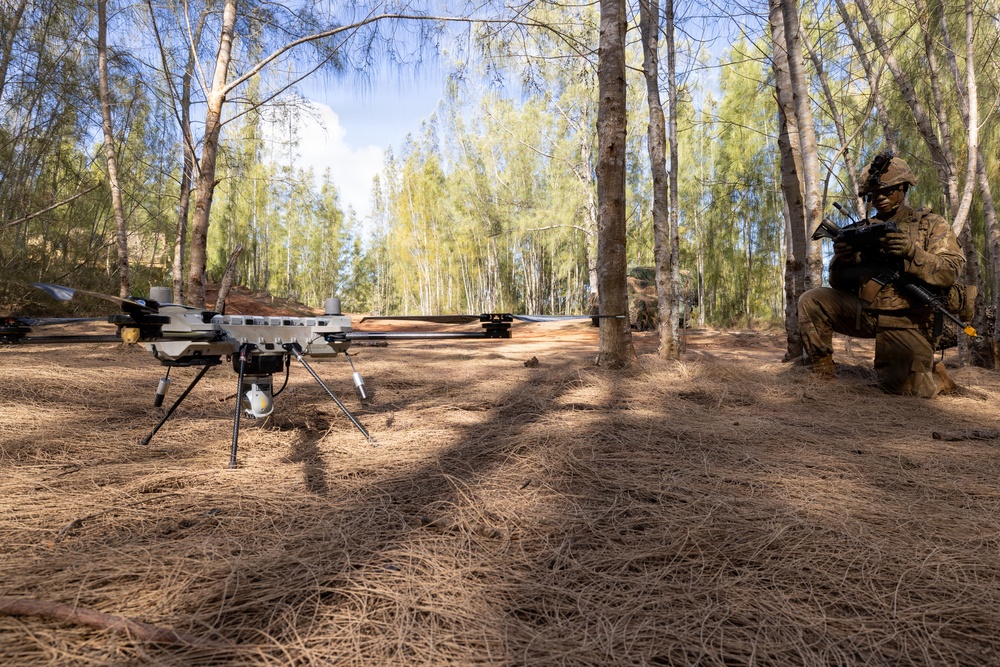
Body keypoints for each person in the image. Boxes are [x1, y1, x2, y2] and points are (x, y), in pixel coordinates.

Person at [797, 153, 965, 397]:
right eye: (874, 195)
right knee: (812, 300)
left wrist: (911, 252)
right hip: (866, 312)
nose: (880, 199)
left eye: (887, 192)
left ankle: (938, 377)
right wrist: (844, 259)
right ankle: (821, 376)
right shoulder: (862, 230)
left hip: (910, 316)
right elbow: (838, 283)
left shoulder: (931, 225)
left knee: (903, 389)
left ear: (904, 188)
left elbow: (950, 271)